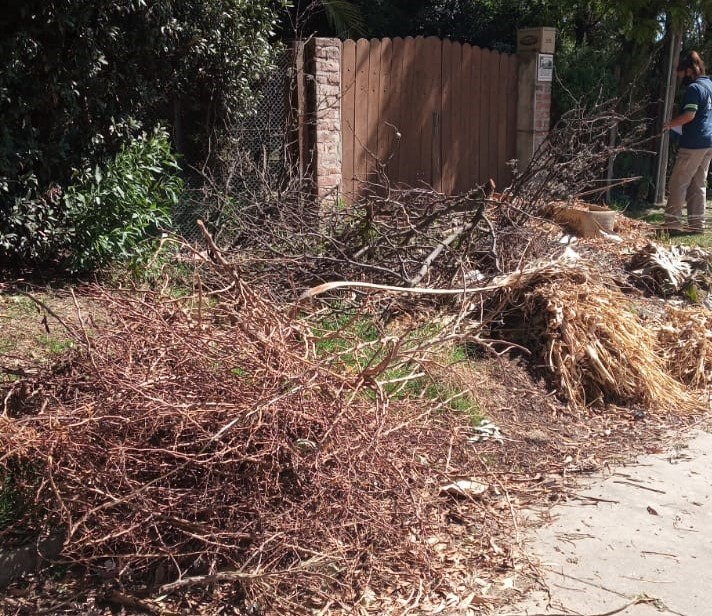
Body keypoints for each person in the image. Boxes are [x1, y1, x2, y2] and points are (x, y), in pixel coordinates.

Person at [663, 50, 712, 233]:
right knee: (698, 184)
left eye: (680, 72)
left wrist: (669, 124)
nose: (679, 76)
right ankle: (697, 225)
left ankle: (671, 225)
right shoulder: (709, 85)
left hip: (693, 143)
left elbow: (689, 115)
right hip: (708, 142)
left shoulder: (693, 88)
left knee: (678, 183)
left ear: (689, 70)